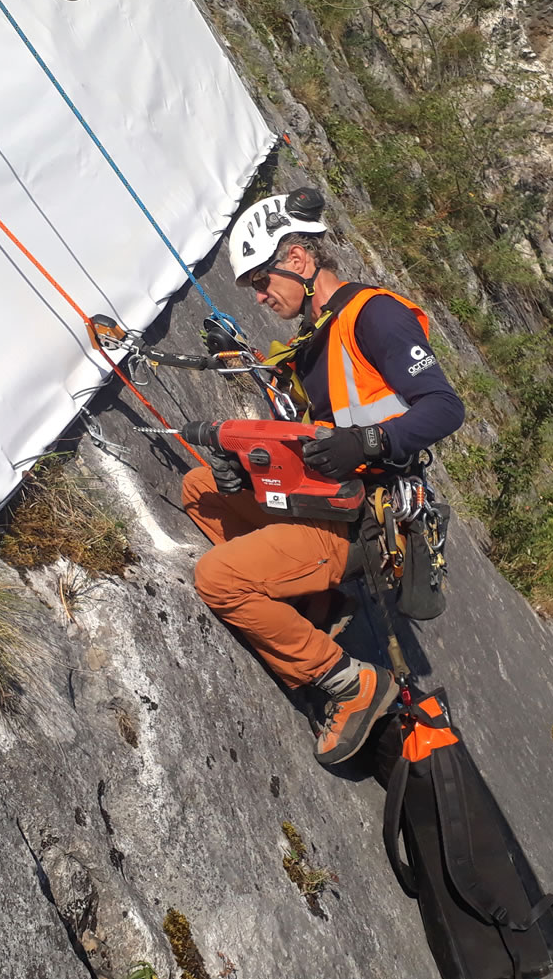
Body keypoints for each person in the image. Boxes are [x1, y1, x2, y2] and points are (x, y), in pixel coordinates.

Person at [181, 188, 465, 765]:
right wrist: (244, 468)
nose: (260, 296)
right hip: (324, 500)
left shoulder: (374, 315)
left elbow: (444, 407)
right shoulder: (313, 339)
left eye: (262, 280)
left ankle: (349, 683)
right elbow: (303, 439)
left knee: (218, 579)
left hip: (361, 519)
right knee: (201, 489)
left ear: (299, 260)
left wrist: (371, 441)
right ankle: (315, 605)